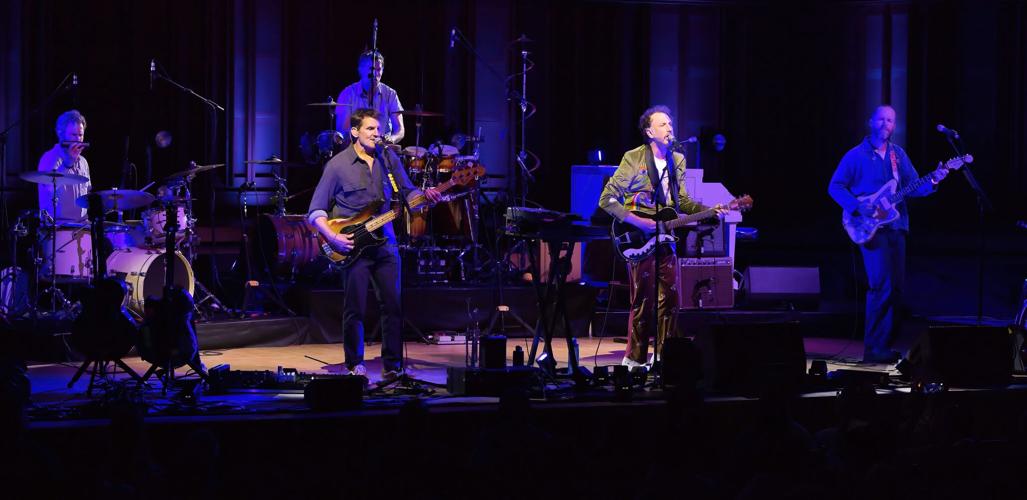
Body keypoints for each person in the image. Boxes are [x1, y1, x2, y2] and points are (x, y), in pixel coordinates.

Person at [308, 109, 440, 379]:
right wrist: (333, 237)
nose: (376, 134)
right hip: (352, 245)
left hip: (386, 243)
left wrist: (426, 196)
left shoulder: (388, 158)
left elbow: (407, 192)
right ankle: (354, 364)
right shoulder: (337, 165)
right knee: (354, 307)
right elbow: (316, 212)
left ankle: (393, 366)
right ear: (355, 132)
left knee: (393, 305)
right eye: (370, 129)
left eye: (378, 130)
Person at [599, 105, 722, 370]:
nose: (670, 128)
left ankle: (667, 358)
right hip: (638, 237)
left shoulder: (677, 160)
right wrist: (638, 221)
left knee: (671, 299)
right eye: (663, 124)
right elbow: (607, 199)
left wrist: (707, 211)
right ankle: (636, 359)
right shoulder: (634, 158)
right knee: (643, 300)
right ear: (649, 131)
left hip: (666, 237)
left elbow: (683, 201)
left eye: (670, 124)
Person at [828, 105, 951, 364]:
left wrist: (935, 180)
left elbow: (914, 187)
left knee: (896, 289)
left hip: (897, 227)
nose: (887, 124)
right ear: (870, 122)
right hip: (869, 229)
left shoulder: (898, 156)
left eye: (891, 120)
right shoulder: (855, 155)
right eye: (882, 119)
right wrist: (857, 205)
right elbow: (835, 187)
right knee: (880, 286)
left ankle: (883, 346)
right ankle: (873, 348)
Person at [334, 51, 405, 145]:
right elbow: (342, 130)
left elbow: (400, 130)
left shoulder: (390, 94)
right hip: (355, 149)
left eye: (378, 69)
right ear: (360, 70)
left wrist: (392, 138)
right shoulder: (347, 94)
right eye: (371, 69)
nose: (375, 74)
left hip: (381, 149)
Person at [38, 110, 91, 222]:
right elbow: (49, 190)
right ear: (61, 134)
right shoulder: (49, 158)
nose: (78, 139)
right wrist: (68, 163)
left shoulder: (83, 162)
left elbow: (87, 195)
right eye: (73, 135)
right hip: (58, 228)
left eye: (80, 135)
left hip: (82, 226)